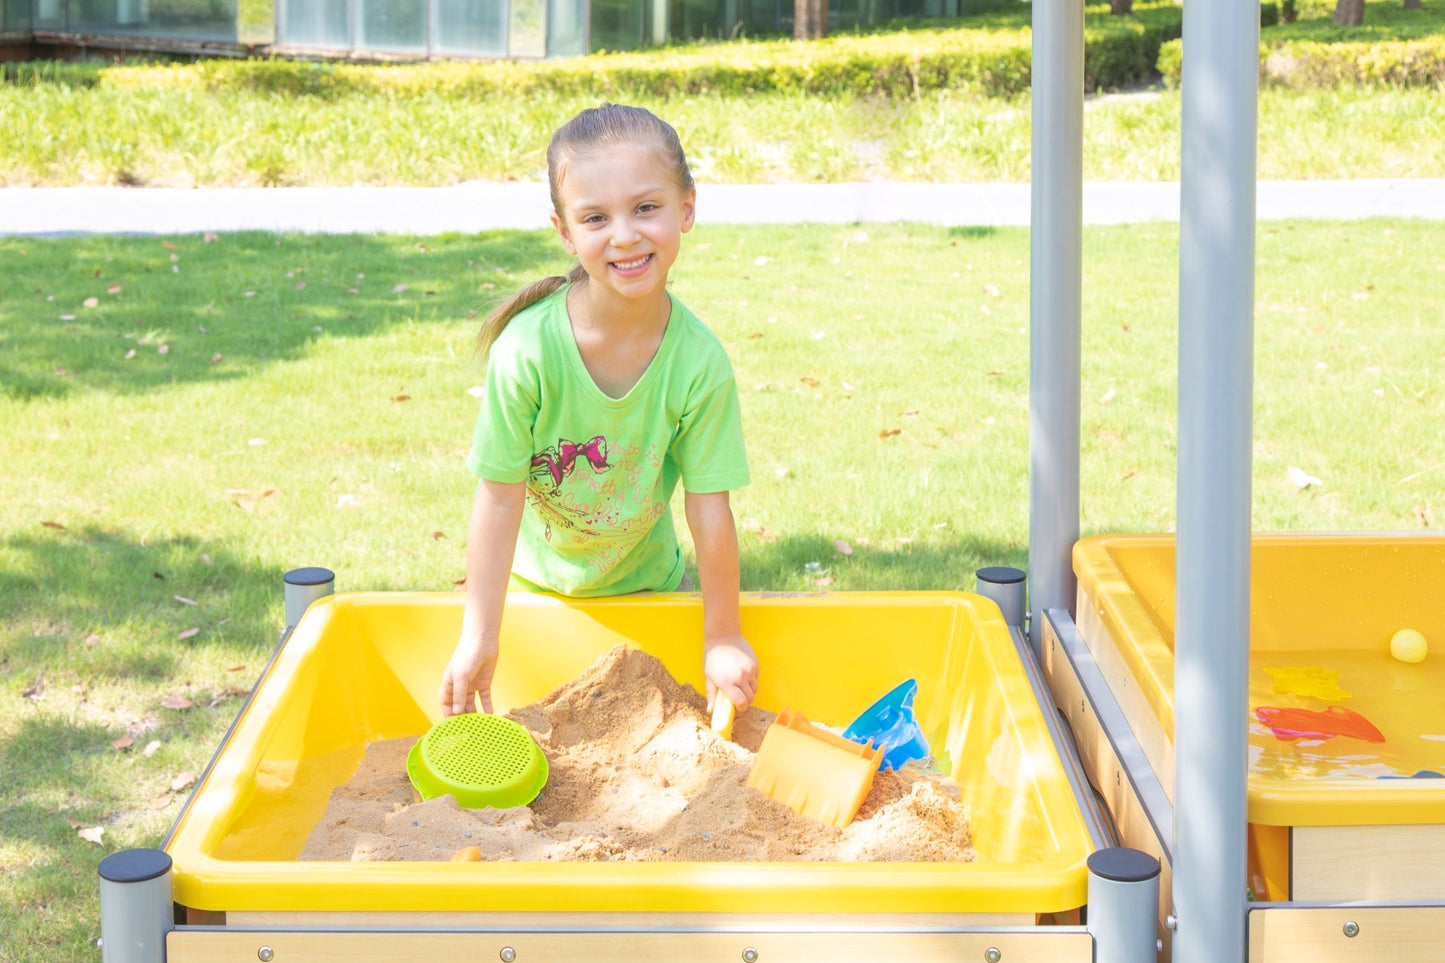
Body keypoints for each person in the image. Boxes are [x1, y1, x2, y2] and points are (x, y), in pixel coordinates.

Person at [439, 104, 759, 723]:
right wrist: (479, 634)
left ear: (686, 208)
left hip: (650, 590)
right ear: (565, 232)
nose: (625, 235)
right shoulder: (527, 351)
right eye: (595, 218)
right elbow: (499, 497)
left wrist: (722, 635)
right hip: (533, 595)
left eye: (646, 207)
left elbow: (709, 507)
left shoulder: (700, 362)